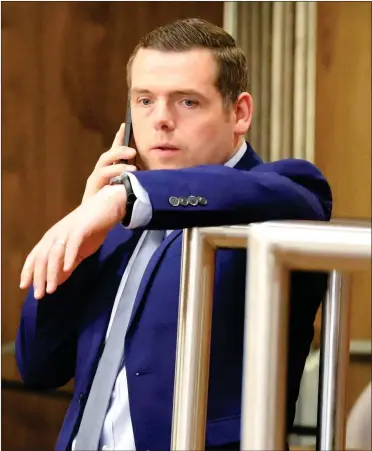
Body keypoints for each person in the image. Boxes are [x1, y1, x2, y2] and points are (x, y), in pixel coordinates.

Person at [15, 18, 332, 451]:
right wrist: (83, 247)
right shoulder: (116, 211)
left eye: (187, 102)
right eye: (144, 100)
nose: (160, 120)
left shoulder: (283, 189)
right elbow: (38, 366)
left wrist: (123, 199)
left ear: (239, 113)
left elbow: (288, 196)